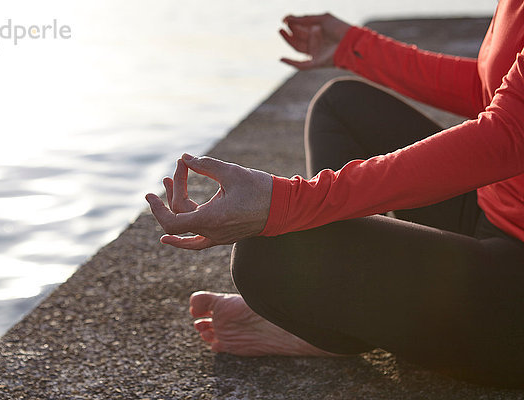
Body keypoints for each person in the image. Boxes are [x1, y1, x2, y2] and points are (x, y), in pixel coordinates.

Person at [145, 3, 524, 388]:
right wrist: (355, 46)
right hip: (495, 213)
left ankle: (329, 321)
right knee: (340, 106)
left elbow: (509, 134)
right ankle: (329, 314)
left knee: (269, 256)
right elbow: (493, 90)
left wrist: (290, 203)